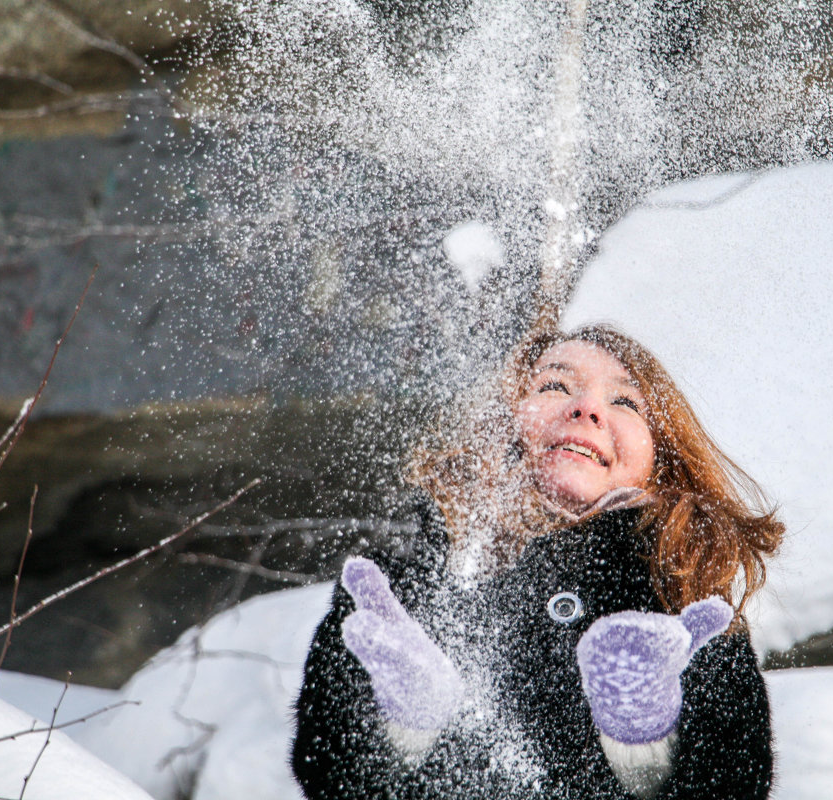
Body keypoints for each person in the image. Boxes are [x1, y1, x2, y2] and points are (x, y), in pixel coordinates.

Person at [291, 324, 783, 799]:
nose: (586, 407)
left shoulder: (681, 589)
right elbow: (327, 772)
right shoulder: (407, 570)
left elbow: (735, 783)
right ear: (504, 419)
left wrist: (643, 742)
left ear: (663, 460)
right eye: (554, 385)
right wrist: (402, 725)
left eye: (625, 401)